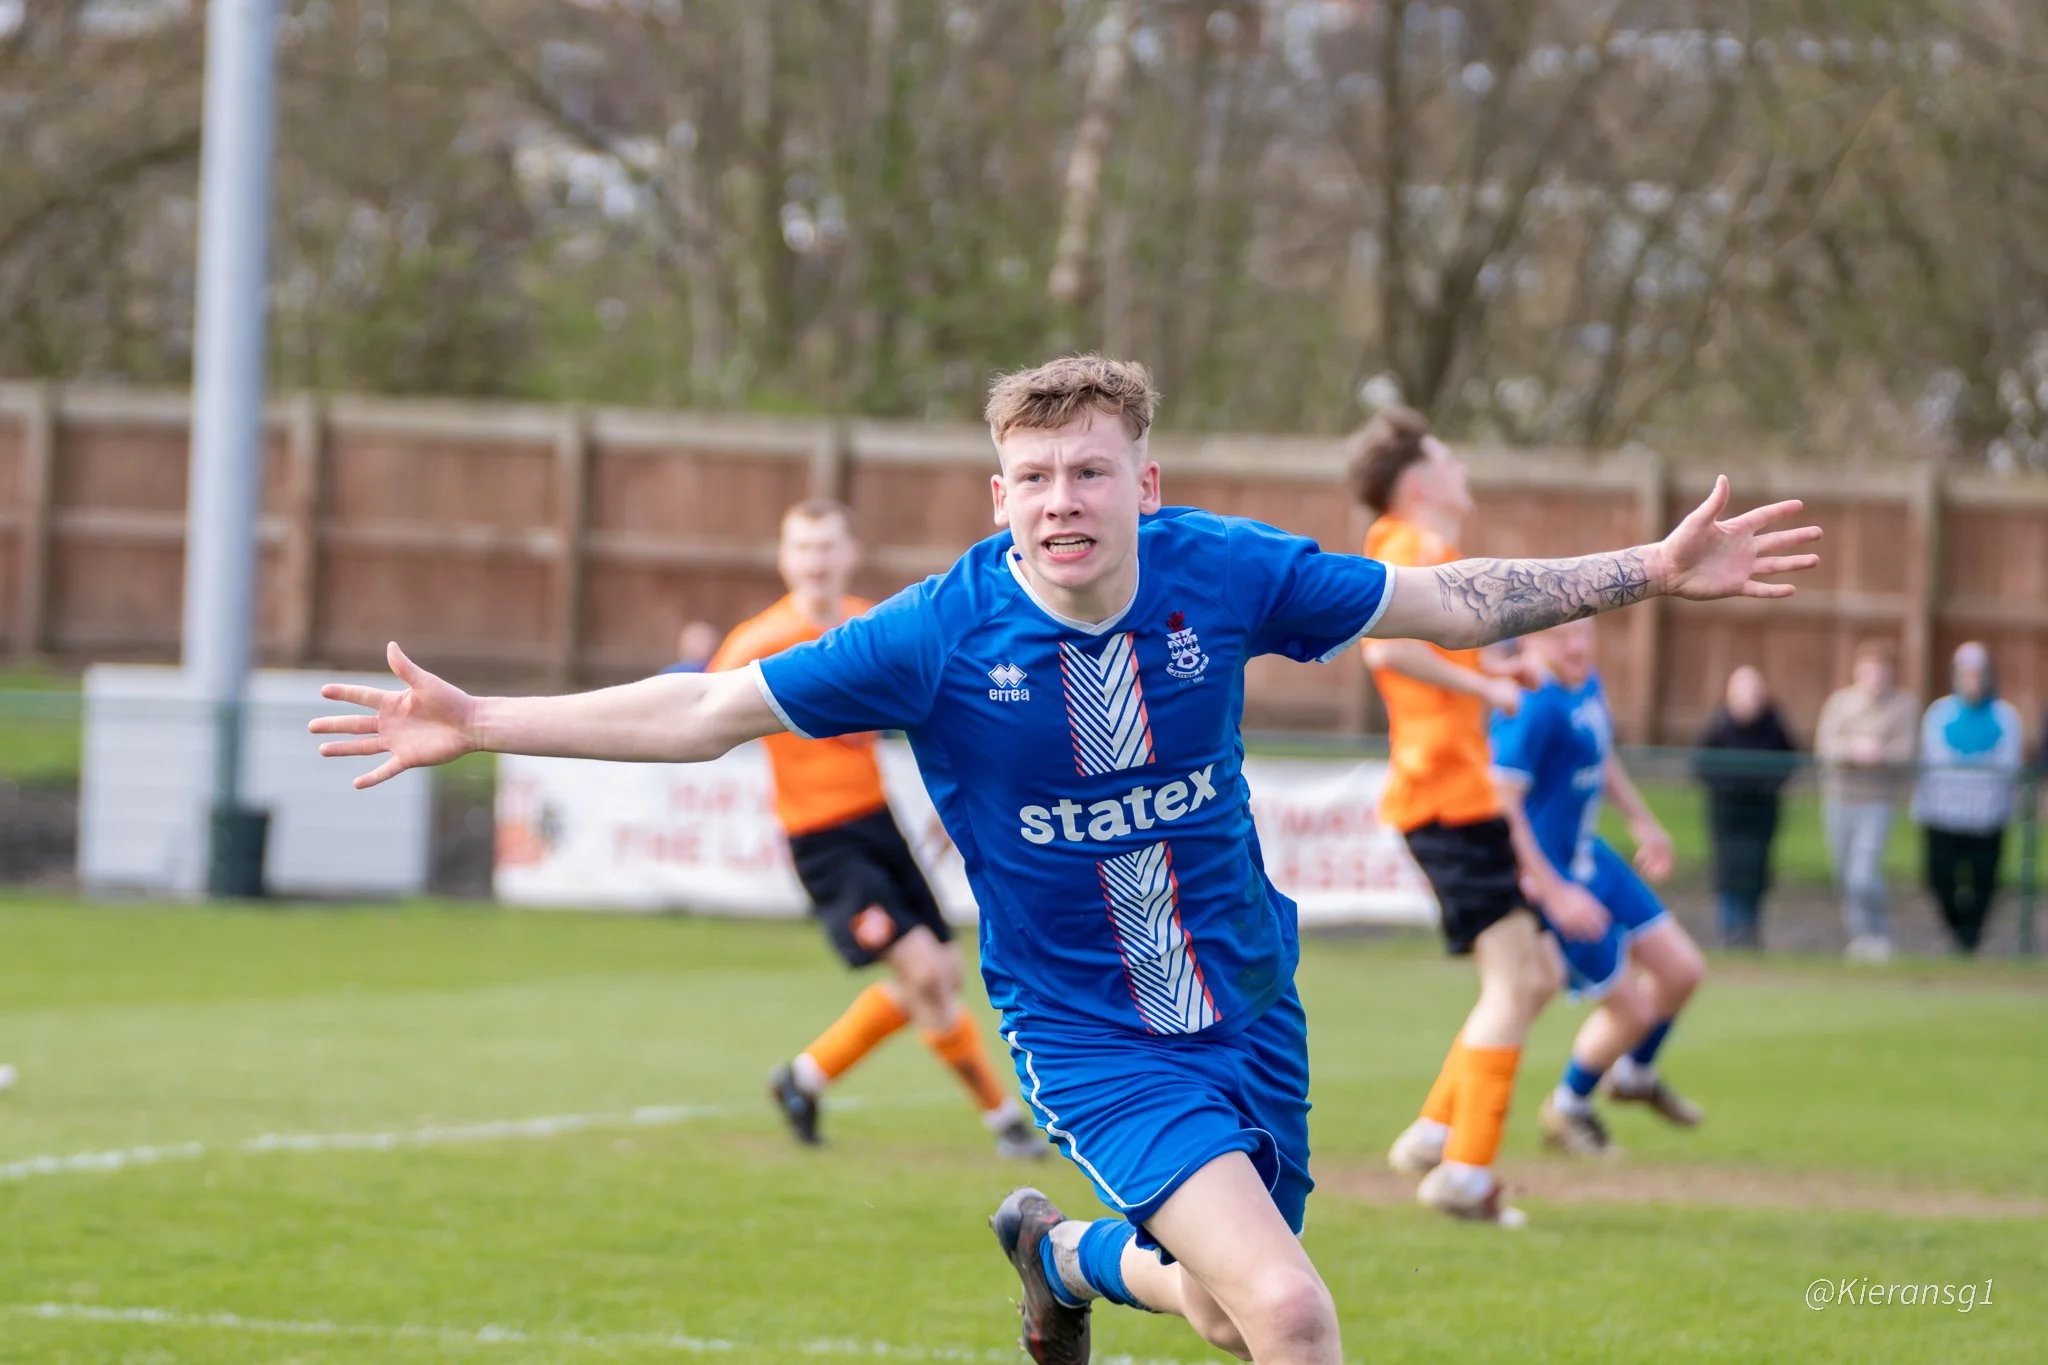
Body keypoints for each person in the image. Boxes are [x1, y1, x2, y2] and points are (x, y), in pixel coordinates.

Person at [310, 355, 1819, 1365]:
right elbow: (706, 707)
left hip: (1246, 997)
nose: (1061, 506)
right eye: (1033, 482)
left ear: (1141, 481)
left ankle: (1065, 1260)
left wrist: (1651, 570)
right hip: (1088, 1027)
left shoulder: (1226, 573)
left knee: (1230, 1319)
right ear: (998, 499)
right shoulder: (942, 632)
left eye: (1090, 475)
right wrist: (485, 717)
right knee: (1291, 1314)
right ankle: (1082, 1246)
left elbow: (1450, 601)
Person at [709, 499, 1041, 1159]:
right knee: (924, 967)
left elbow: (949, 710)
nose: (815, 562)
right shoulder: (757, 641)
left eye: (827, 547)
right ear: (784, 558)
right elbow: (693, 706)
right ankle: (1005, 1121)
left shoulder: (869, 626)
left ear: (850, 554)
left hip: (877, 821)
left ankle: (803, 1078)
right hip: (822, 839)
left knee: (939, 972)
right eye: (803, 548)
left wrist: (964, 800)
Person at [1352, 407, 1599, 1227]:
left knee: (1537, 976)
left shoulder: (1427, 551)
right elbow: (1386, 649)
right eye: (1449, 458)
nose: (1464, 471)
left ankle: (1435, 1133)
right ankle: (1463, 1172)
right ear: (1420, 482)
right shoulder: (1410, 545)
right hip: (1445, 797)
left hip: (1457, 796)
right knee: (1515, 979)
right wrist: (1489, 688)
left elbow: (1438, 648)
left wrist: (1505, 663)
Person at [1488, 619, 1707, 1158]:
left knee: (1682, 971)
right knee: (1630, 1009)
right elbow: (1501, 804)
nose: (1578, 646)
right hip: (1554, 879)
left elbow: (1600, 755)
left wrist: (1642, 820)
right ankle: (1569, 1108)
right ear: (1531, 641)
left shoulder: (1583, 682)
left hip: (1593, 859)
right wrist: (1550, 890)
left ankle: (1633, 1076)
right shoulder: (1531, 705)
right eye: (1564, 638)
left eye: (1585, 634)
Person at [1911, 642, 2025, 954]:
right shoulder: (1939, 713)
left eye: (1978, 674)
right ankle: (1958, 934)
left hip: (1988, 817)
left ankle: (1970, 940)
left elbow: (2008, 766)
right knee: (1939, 878)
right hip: (1942, 815)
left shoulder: (2005, 717)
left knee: (1984, 883)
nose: (1973, 680)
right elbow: (1931, 763)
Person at [1815, 641, 1919, 962]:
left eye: (1881, 671)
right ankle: (1860, 937)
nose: (1875, 678)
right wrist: (1853, 751)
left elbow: (1906, 752)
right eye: (1869, 671)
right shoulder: (1840, 703)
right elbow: (1826, 747)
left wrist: (1880, 754)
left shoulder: (1903, 706)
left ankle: (1878, 933)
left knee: (1864, 872)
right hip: (1839, 799)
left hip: (1877, 801)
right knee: (1845, 873)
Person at [1692, 665, 1797, 948]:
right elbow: (1701, 766)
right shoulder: (1717, 725)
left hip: (1761, 813)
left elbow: (1788, 762)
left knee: (1756, 872)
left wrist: (1762, 786)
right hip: (1726, 814)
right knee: (1728, 873)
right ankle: (1731, 931)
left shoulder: (1773, 724)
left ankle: (1751, 931)